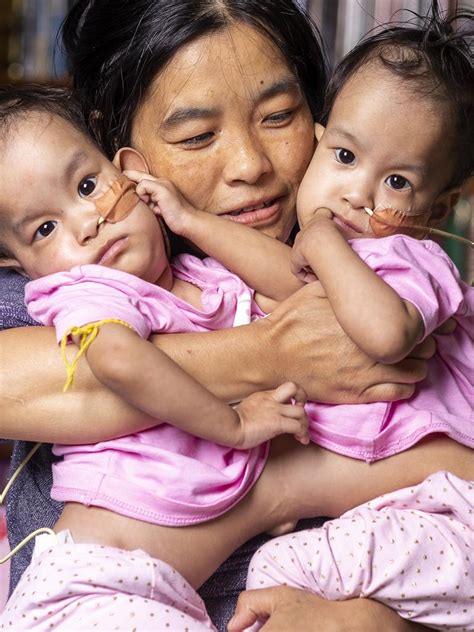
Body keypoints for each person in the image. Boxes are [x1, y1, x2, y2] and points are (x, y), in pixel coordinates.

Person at [0, 0, 456, 629]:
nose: (250, 166)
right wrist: (275, 355)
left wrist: (370, 624)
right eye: (196, 135)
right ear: (118, 150)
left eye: (279, 116)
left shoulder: (362, 269)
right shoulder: (69, 268)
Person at [215, 7, 473, 630]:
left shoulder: (411, 259)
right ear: (318, 146)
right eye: (346, 156)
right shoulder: (320, 253)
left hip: (447, 509)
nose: (358, 192)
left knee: (280, 573)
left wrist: (325, 239)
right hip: (391, 510)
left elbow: (383, 335)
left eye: (395, 180)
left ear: (433, 207)